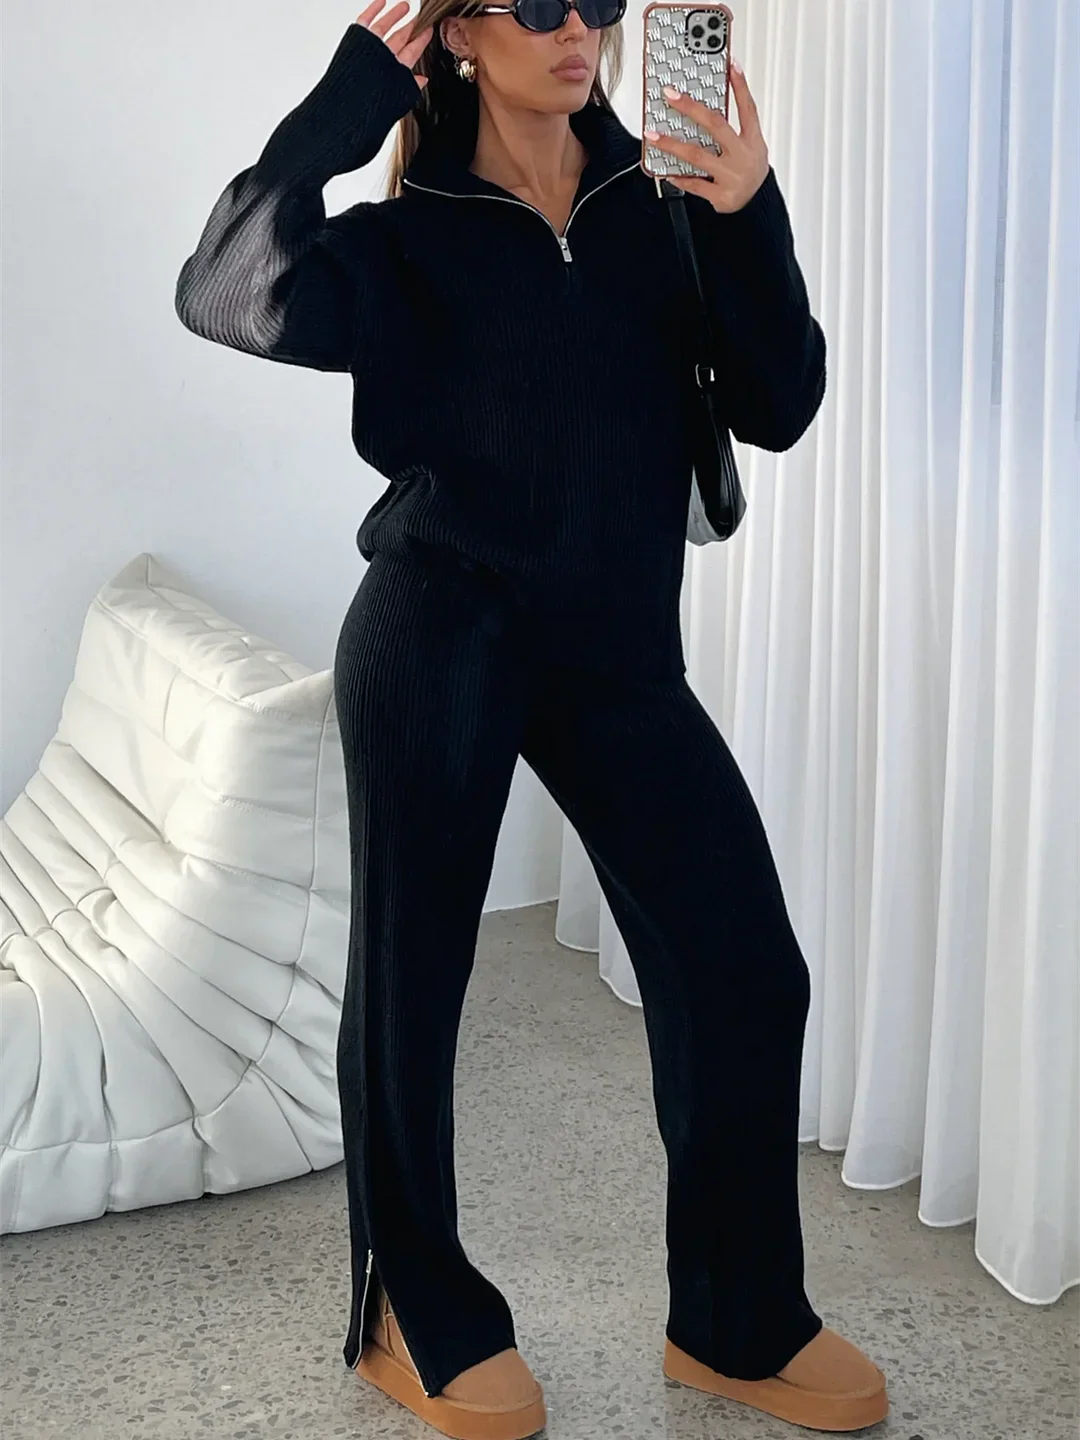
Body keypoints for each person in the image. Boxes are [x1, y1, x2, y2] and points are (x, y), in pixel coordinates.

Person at [174, 2, 889, 1436]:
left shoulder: (661, 202)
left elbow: (782, 400)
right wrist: (342, 106)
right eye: (542, 3)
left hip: (615, 650)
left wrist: (748, 208)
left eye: (603, 3)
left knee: (745, 969)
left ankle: (736, 1320)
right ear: (456, 35)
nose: (584, 32)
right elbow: (225, 288)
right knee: (414, 988)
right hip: (439, 628)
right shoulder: (405, 239)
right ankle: (412, 1310)